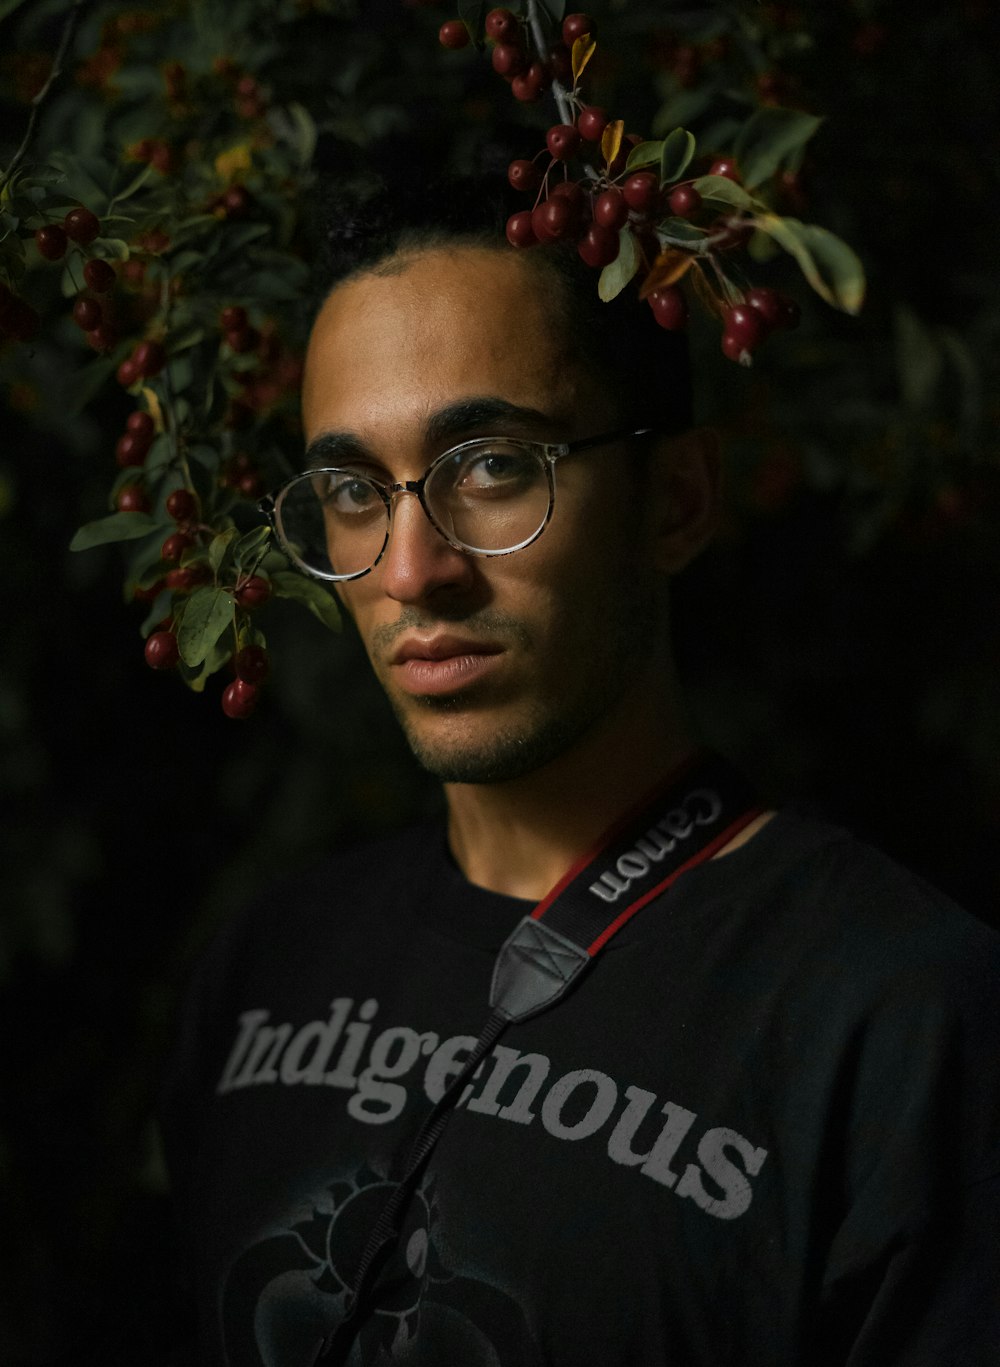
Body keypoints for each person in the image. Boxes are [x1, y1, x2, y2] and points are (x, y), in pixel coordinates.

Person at [160, 177, 1000, 1366]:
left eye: (492, 465)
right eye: (354, 490)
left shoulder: (901, 1019)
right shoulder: (259, 970)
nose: (412, 571)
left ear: (677, 499)